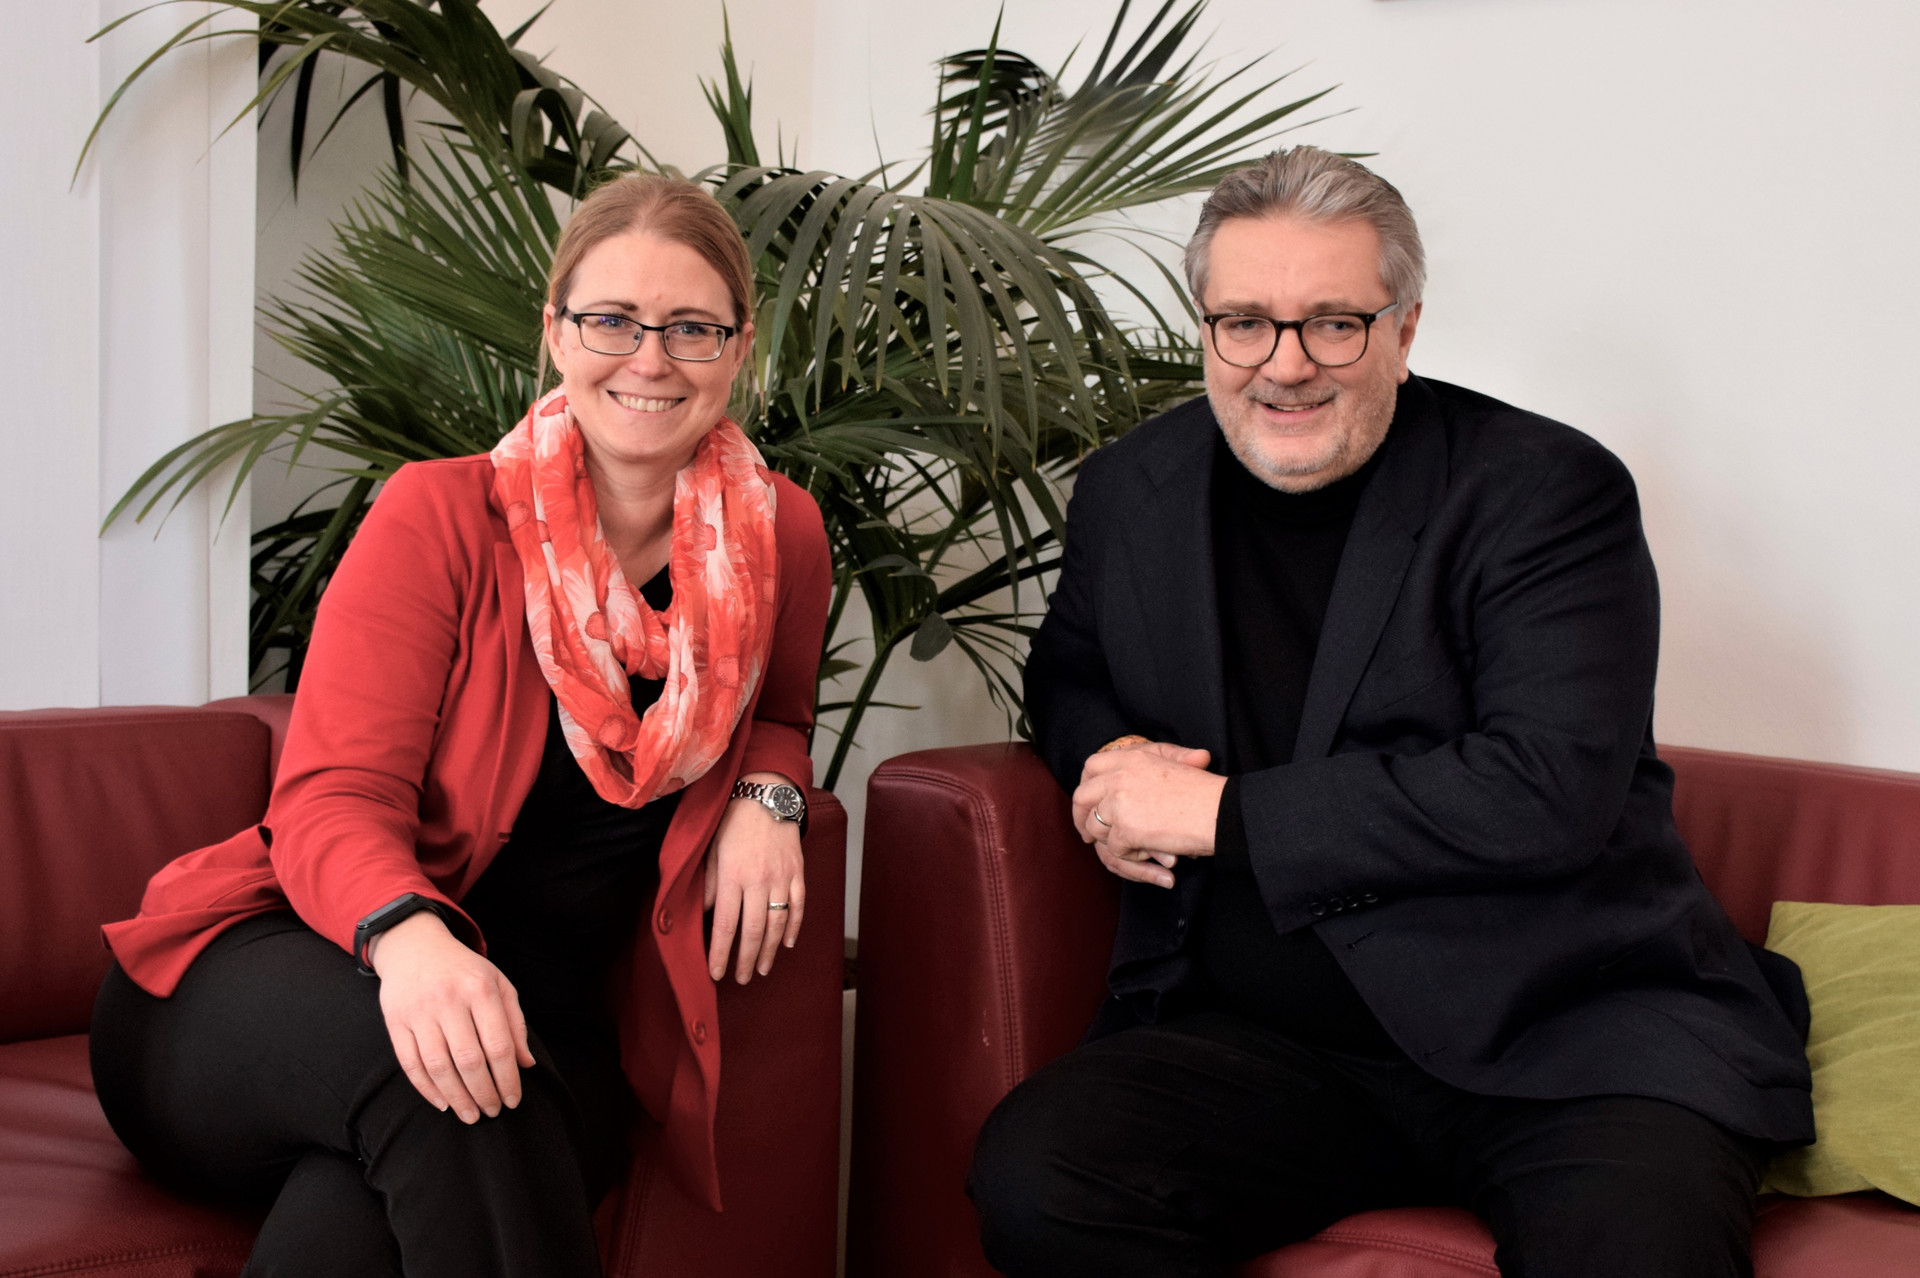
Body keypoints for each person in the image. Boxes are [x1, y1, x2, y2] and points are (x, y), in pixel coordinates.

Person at [968, 147, 1814, 1278]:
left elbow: (1543, 791)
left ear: (1405, 328)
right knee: (1041, 1175)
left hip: (1568, 1039)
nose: (1286, 365)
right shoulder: (1136, 487)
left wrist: (1221, 815)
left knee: (1636, 1253)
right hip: (1273, 1052)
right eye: (1246, 323)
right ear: (1205, 326)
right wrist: (1111, 756)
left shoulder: (1545, 492)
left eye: (1334, 323)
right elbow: (1066, 668)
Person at [89, 174, 831, 1278]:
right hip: (278, 977)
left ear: (738, 346)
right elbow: (330, 796)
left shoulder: (782, 539)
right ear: (555, 331)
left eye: (690, 328)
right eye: (612, 320)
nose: (649, 358)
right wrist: (414, 943)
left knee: (386, 1192)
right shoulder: (440, 516)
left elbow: (776, 708)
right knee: (452, 1077)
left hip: (546, 1031)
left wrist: (771, 795)